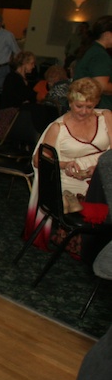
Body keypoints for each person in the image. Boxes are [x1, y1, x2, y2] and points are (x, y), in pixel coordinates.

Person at [24, 77, 112, 250]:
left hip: (100, 179)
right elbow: (39, 160)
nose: (84, 111)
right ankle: (85, 244)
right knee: (89, 207)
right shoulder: (58, 127)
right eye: (79, 106)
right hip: (68, 183)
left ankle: (90, 245)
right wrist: (66, 165)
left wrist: (101, 167)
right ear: (70, 102)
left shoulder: (106, 117)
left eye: (90, 106)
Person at [73, 16, 112, 109]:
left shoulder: (91, 49)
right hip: (96, 107)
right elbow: (101, 86)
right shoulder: (100, 55)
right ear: (107, 34)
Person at [0, 50, 37, 137]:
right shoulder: (12, 78)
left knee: (34, 110)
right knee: (33, 111)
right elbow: (12, 98)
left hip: (19, 109)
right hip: (10, 110)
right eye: (32, 63)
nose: (33, 66)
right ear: (24, 63)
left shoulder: (25, 80)